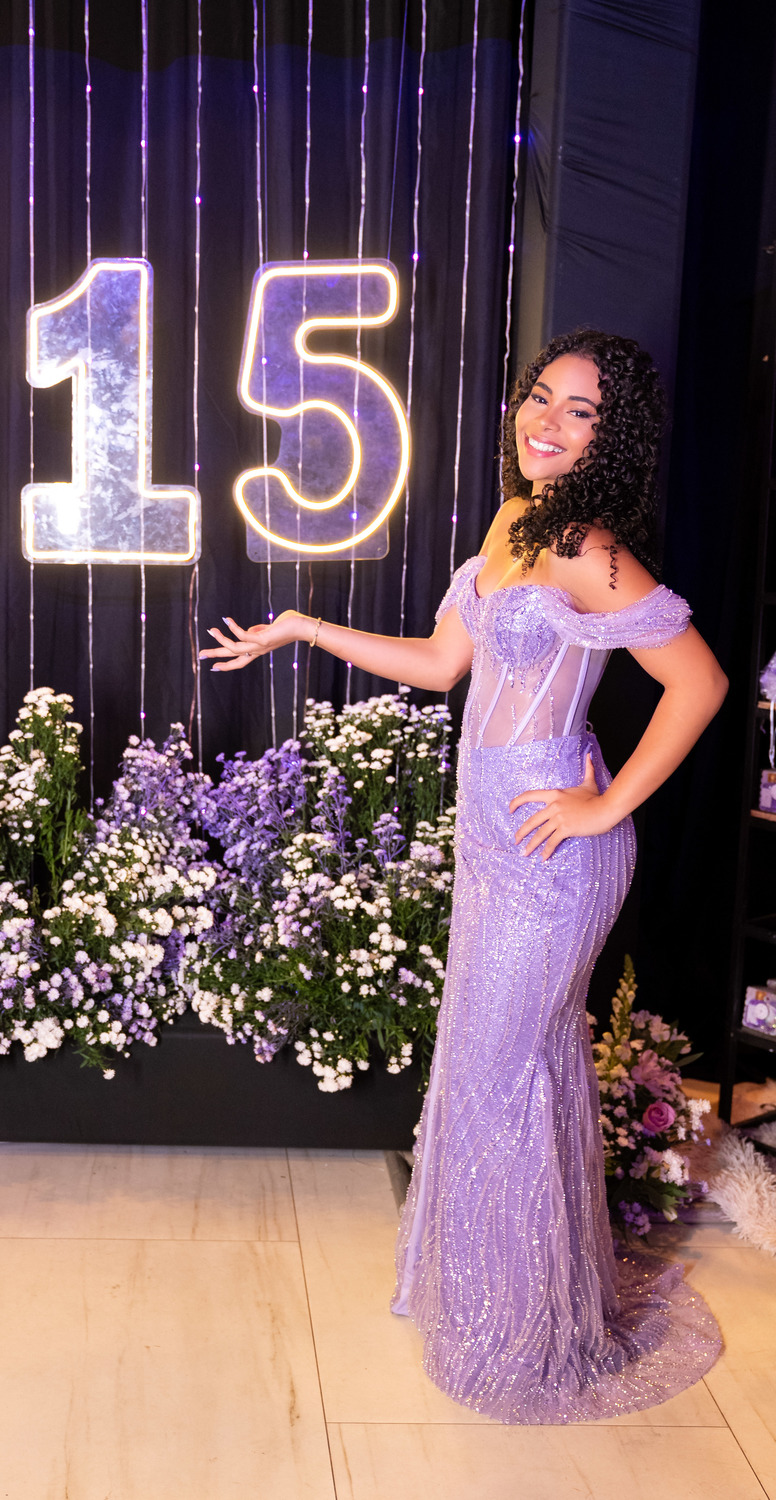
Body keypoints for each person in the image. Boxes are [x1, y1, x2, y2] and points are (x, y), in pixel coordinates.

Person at [200, 329, 727, 1423]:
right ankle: (496, 1304)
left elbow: (700, 682)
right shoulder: (514, 522)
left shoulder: (588, 547)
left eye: (580, 410)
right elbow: (444, 665)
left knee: (507, 1074)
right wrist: (302, 628)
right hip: (493, 837)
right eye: (541, 397)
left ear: (611, 436)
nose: (547, 421)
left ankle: (525, 1339)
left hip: (554, 847)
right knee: (492, 1067)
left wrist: (605, 804)